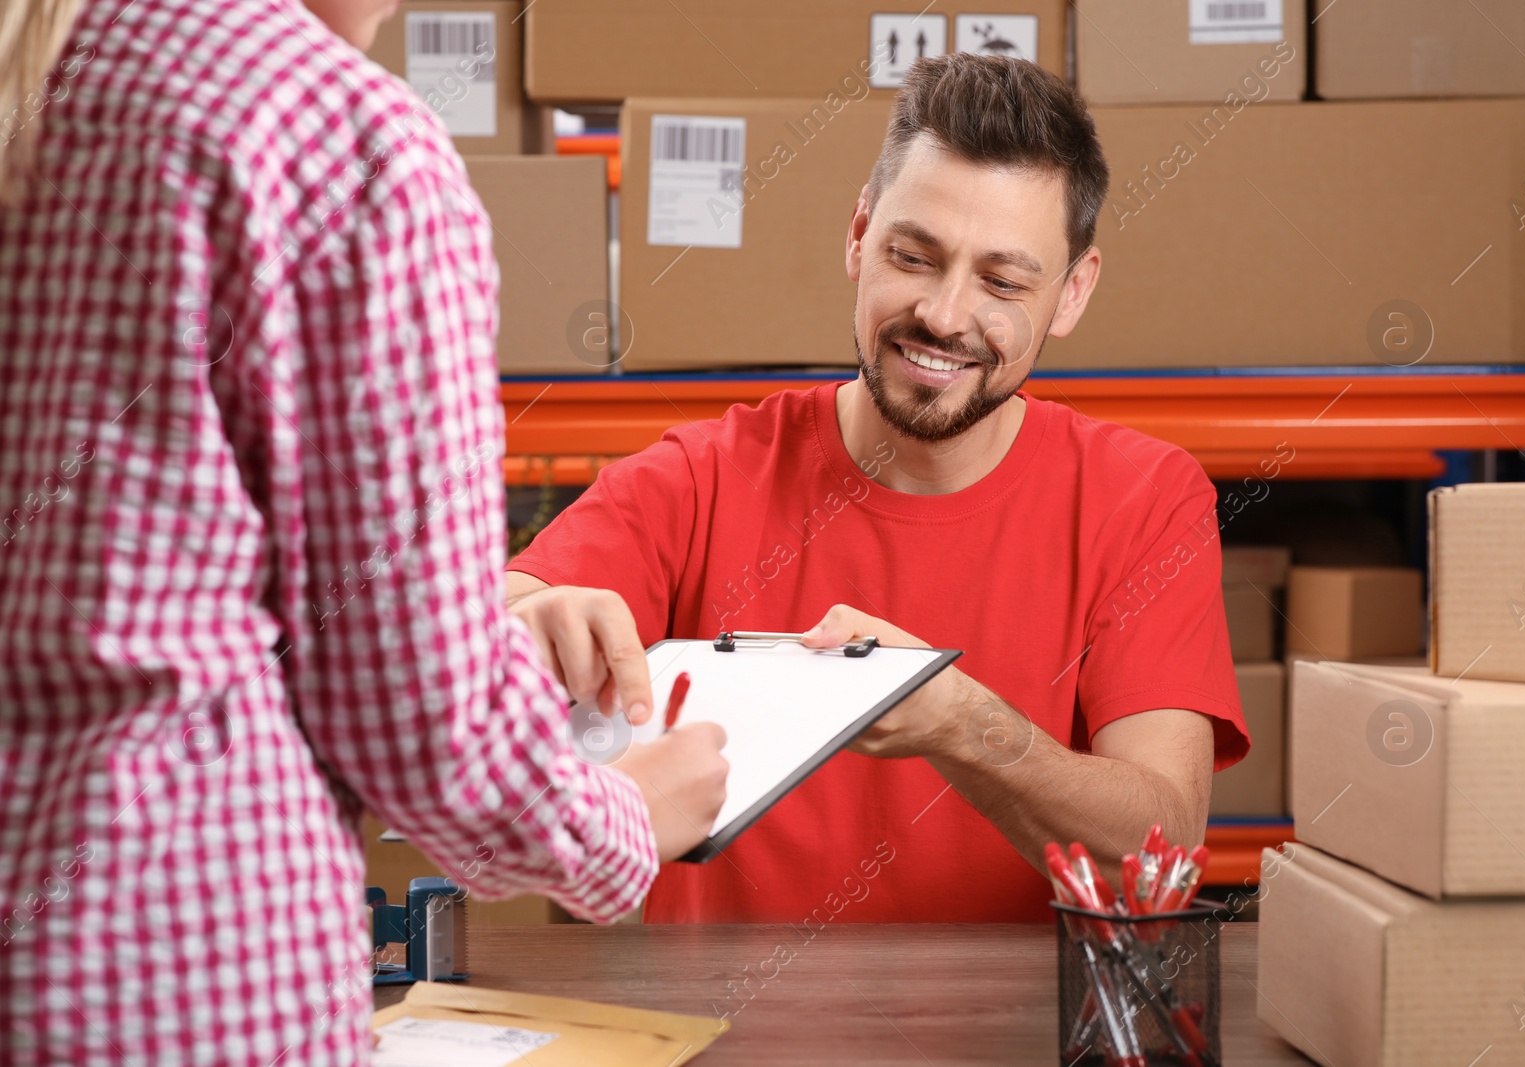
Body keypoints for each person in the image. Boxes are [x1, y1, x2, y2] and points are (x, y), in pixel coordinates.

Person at [0, 0, 727, 1061]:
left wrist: (466, 625)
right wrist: (624, 812)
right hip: (181, 981)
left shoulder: (51, 69)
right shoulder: (330, 131)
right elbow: (429, 733)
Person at [506, 54, 1251, 924]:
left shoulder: (1144, 500)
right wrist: (514, 630)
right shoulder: (703, 476)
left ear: (1072, 292)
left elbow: (1161, 858)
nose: (942, 313)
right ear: (859, 235)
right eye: (913, 255)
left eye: (1003, 282)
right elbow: (493, 631)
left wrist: (961, 722)